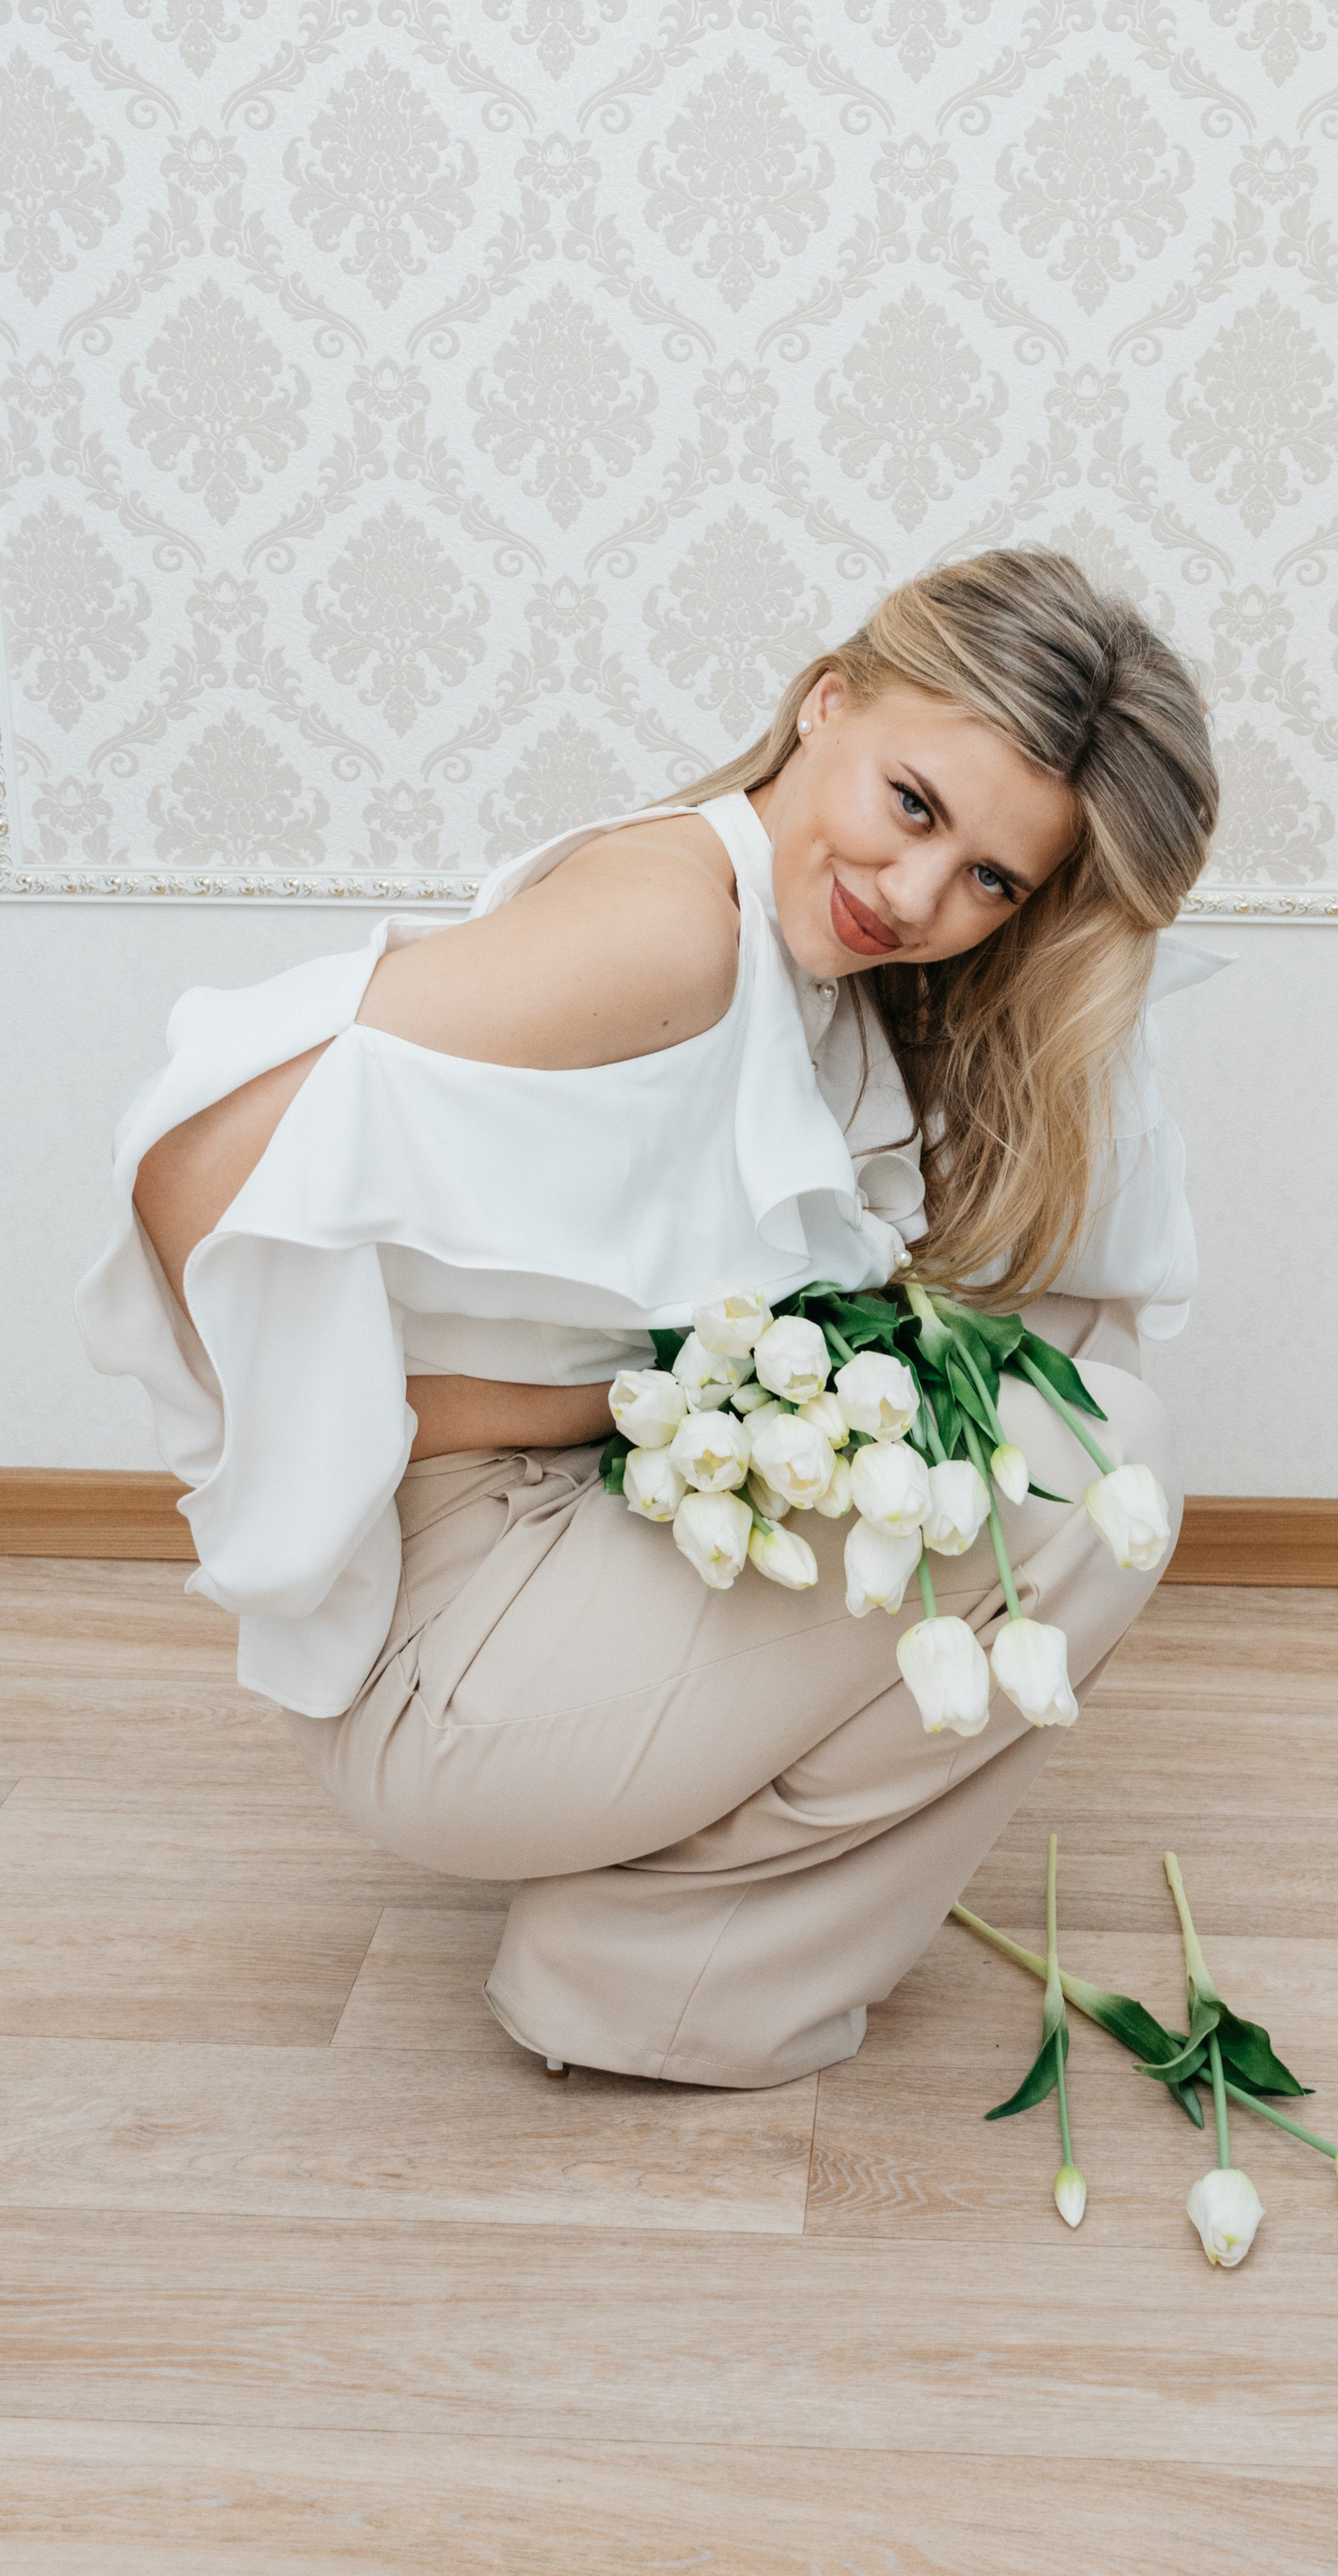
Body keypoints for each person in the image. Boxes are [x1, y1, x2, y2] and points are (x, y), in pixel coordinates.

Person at [77, 549, 1223, 2089]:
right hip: (455, 1647)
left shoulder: (798, 942)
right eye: (913, 805)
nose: (917, 898)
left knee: (1061, 1370)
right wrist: (572, 1405)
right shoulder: (670, 929)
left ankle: (668, 1938)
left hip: (558, 1546)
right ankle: (666, 1977)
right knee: (1096, 1458)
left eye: (993, 882)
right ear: (828, 704)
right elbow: (196, 1164)